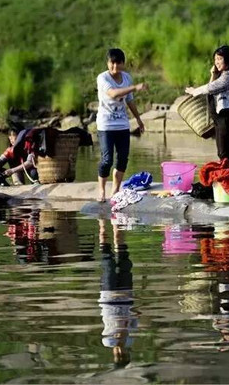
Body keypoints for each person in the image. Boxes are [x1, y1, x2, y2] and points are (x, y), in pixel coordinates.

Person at [96, 48, 148, 202]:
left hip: (122, 124)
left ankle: (116, 190)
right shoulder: (102, 78)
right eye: (112, 63)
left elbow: (129, 100)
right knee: (107, 160)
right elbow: (113, 93)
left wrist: (138, 119)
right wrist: (135, 87)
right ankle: (101, 190)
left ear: (123, 64)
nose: (115, 67)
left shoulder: (126, 77)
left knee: (123, 159)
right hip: (106, 125)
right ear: (108, 63)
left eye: (118, 64)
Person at [185, 45, 229, 164]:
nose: (217, 62)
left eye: (220, 59)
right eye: (215, 59)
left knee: (224, 154)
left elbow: (210, 88)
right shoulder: (223, 75)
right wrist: (213, 74)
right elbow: (211, 89)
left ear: (228, 59)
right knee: (223, 154)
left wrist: (194, 91)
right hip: (223, 119)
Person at [98, 219, 137, 369]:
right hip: (126, 297)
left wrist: (121, 341)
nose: (121, 352)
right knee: (125, 262)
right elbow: (134, 317)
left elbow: (118, 334)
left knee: (108, 263)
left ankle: (102, 227)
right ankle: (117, 231)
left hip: (109, 297)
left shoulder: (108, 342)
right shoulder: (130, 341)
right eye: (124, 355)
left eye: (118, 356)